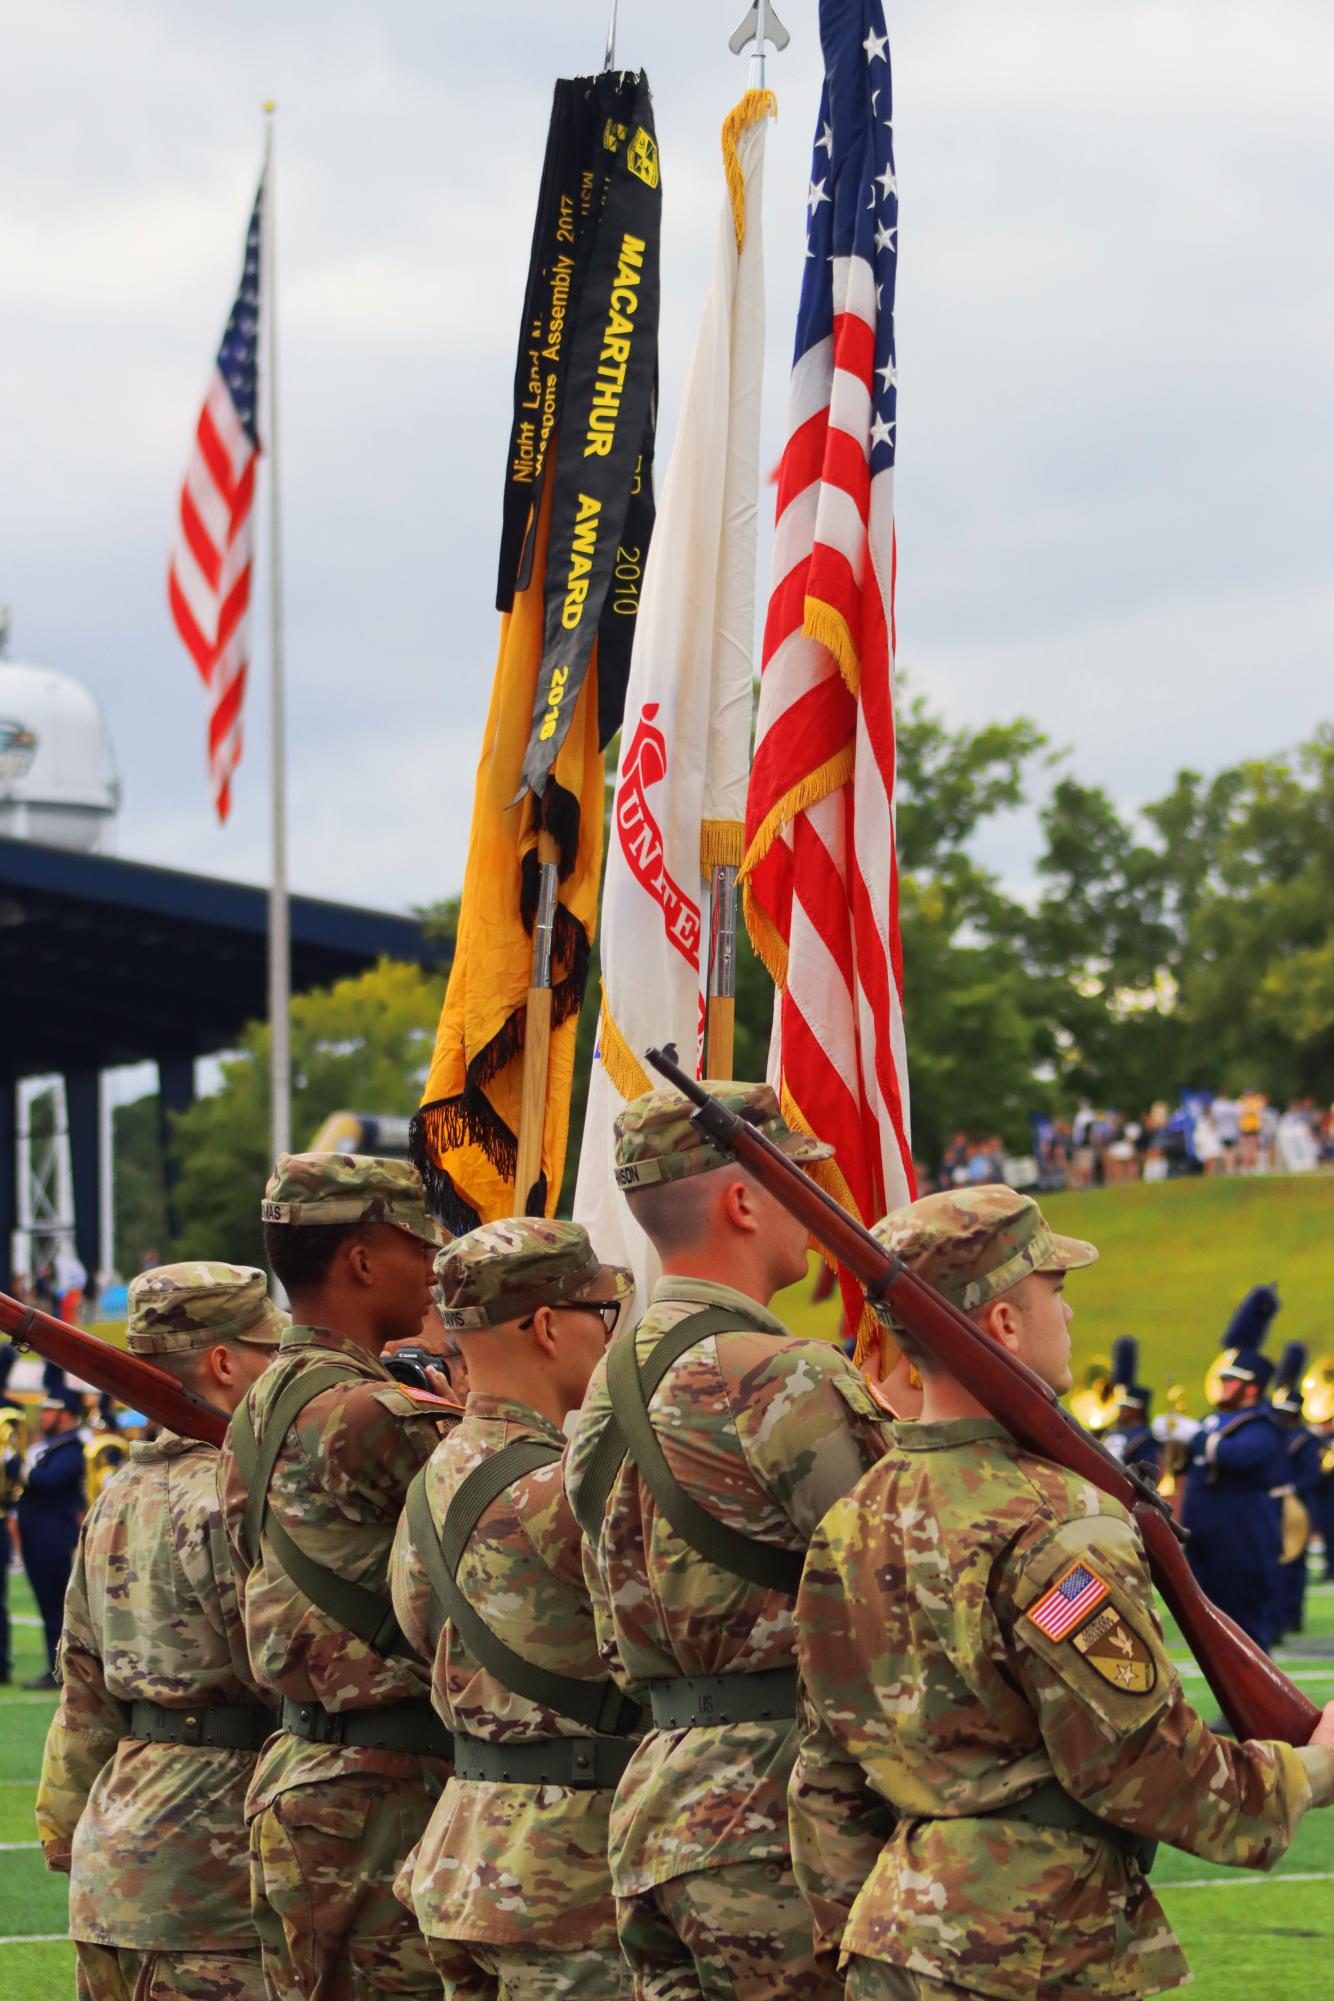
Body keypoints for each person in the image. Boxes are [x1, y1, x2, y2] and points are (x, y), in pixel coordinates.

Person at [788, 1186, 1334, 2001]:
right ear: (1005, 1322)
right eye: (1057, 1291)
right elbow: (1145, 1765)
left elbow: (825, 1771)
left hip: (893, 1940)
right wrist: (1311, 1769)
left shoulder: (856, 1514)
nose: (1070, 1316)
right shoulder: (1059, 1520)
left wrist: (873, 1929)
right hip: (1034, 1950)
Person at [564, 1082, 894, 2001]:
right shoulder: (779, 1377)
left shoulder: (602, 1386)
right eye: (798, 1180)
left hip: (658, 1799)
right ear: (744, 1199)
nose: (818, 1204)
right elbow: (900, 1589)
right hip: (782, 1812)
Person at [219, 1152, 457, 2001]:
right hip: (383, 1793)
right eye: (418, 1248)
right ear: (361, 1260)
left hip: (302, 1771)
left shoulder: (262, 1399)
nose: (434, 1271)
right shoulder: (373, 1413)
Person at [391, 1219, 638, 1999]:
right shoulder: (562, 1489)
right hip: (565, 1871)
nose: (611, 1335)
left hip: (466, 1849)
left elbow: (411, 1621)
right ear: (543, 1326)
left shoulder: (432, 1476)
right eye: (603, 1314)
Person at [35, 1262, 282, 2001]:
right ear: (223, 1361)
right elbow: (281, 1669)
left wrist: (64, 1824)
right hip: (208, 1875)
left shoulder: (117, 1493)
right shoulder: (228, 1494)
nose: (281, 1370)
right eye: (270, 1351)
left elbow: (81, 1688)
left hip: (117, 1854)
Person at [1181, 1285, 1285, 1650]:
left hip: (1241, 1537)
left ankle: (1258, 1709)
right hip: (1207, 1536)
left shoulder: (1260, 1424)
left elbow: (1237, 1456)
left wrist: (1194, 1438)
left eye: (1231, 1381)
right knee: (1214, 1628)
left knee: (1244, 1625)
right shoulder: (1214, 1420)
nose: (1221, 1385)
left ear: (1252, 1389)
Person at [17, 1386, 86, 1687]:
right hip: (36, 1535)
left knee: (59, 1603)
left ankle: (66, 1668)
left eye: (49, 1411)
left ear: (66, 1415)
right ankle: (54, 1665)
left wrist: (16, 1467)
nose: (42, 1416)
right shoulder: (49, 1446)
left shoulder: (72, 1449)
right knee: (47, 1603)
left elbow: (49, 1480)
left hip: (55, 1536)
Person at [1270, 1344, 1323, 1640]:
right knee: (1278, 1561)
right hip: (1277, 1505)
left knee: (1296, 1563)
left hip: (1299, 1505)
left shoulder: (1304, 1440)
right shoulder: (1277, 1435)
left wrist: (1291, 1489)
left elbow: (1311, 1475)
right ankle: (1280, 1615)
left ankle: (1293, 1614)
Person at [1100, 1338, 1160, 1482]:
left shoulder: (1144, 1438)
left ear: (1137, 1411)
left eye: (1126, 1408)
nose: (1121, 1411)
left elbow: (1146, 1474)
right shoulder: (1110, 1430)